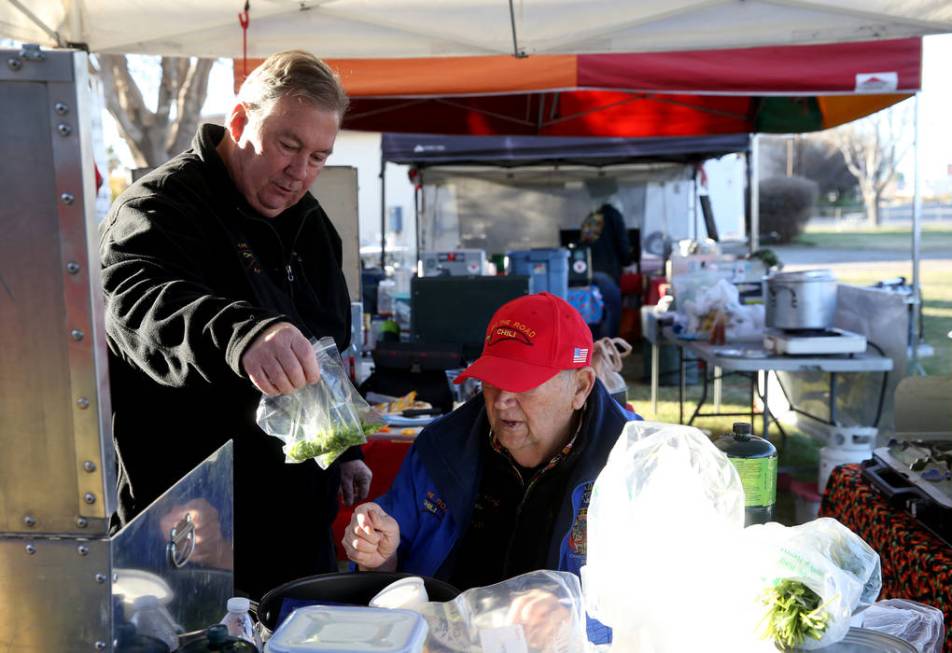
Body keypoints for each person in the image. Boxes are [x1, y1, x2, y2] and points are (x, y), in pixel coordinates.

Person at [100, 50, 371, 598]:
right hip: (191, 524)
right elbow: (136, 301)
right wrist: (243, 335)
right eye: (287, 145)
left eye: (319, 156)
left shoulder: (311, 223)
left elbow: (325, 347)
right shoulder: (159, 206)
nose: (300, 173)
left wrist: (345, 449)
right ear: (241, 121)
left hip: (295, 526)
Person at [342, 293, 638, 621]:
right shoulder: (442, 448)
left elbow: (668, 606)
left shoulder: (636, 464)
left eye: (523, 383)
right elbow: (390, 567)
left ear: (580, 388)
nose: (501, 401)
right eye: (492, 381)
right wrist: (379, 556)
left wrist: (573, 622)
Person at [580, 201, 631, 339]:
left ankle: (592, 352)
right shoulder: (615, 216)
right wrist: (627, 260)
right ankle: (607, 353)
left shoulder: (592, 218)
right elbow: (623, 246)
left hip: (588, 275)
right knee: (611, 312)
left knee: (592, 314)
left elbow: (583, 246)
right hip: (607, 273)